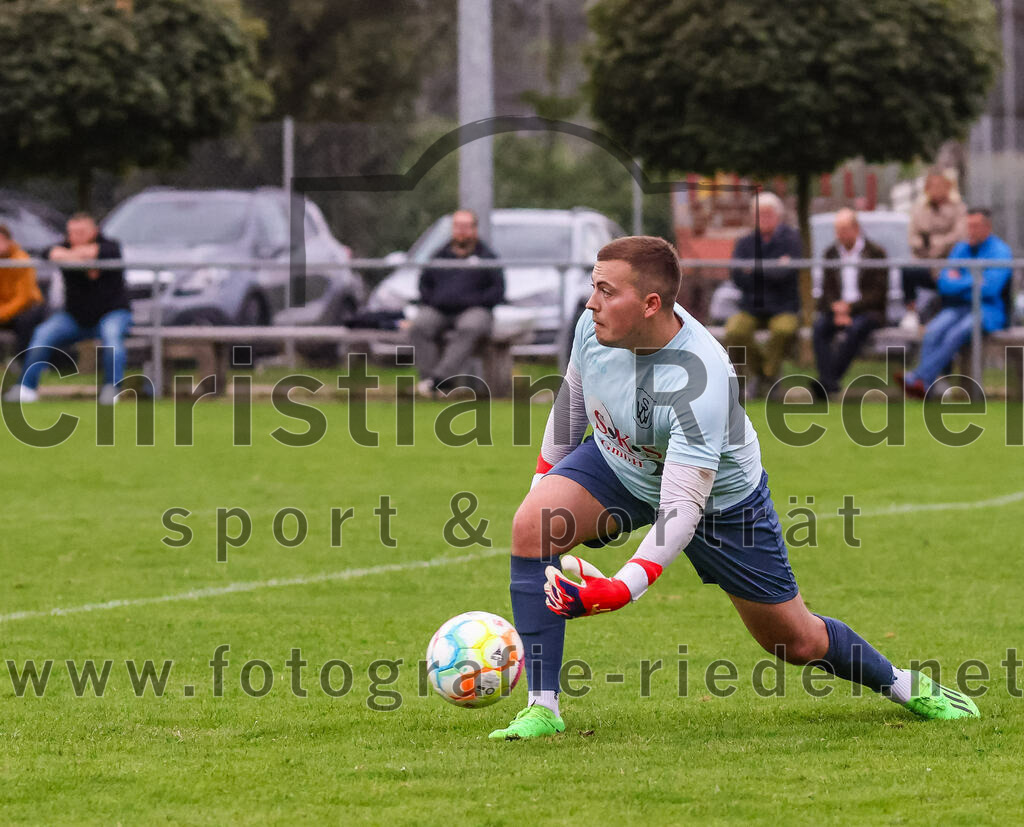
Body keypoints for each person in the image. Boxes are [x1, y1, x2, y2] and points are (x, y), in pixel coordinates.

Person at [489, 235, 979, 741]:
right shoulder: (593, 328)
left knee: (794, 641)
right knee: (533, 525)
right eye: (594, 287)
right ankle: (542, 708)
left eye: (607, 291)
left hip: (720, 502)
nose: (592, 301)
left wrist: (620, 589)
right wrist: (539, 488)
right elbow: (570, 405)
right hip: (621, 460)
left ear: (651, 304)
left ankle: (902, 683)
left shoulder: (701, 377)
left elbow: (681, 509)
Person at [3, 213, 130, 405]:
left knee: (112, 338)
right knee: (43, 333)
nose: (75, 237)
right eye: (72, 233)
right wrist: (80, 256)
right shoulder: (63, 245)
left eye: (81, 232)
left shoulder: (111, 246)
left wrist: (70, 256)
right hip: (75, 318)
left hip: (112, 314)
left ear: (94, 232)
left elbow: (99, 252)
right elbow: (49, 252)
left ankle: (111, 390)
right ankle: (27, 388)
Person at [897, 207, 1012, 399]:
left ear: (987, 227)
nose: (971, 231)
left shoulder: (1000, 252)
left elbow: (991, 289)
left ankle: (920, 378)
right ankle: (927, 384)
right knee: (933, 330)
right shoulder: (961, 249)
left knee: (957, 332)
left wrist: (960, 280)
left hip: (989, 309)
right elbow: (944, 284)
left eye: (975, 226)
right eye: (969, 226)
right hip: (959, 306)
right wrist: (975, 281)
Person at [410, 209, 504, 396]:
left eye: (466, 226)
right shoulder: (439, 255)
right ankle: (430, 384)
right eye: (458, 226)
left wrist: (472, 300)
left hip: (474, 309)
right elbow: (424, 284)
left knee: (471, 326)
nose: (461, 231)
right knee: (419, 326)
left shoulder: (487, 257)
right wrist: (434, 300)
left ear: (474, 229)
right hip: (440, 309)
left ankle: (440, 380)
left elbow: (497, 290)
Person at [724, 193, 802, 398]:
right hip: (751, 306)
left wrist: (754, 269)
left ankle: (764, 375)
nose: (763, 218)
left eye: (768, 214)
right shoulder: (744, 243)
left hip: (783, 306)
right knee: (735, 330)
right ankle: (764, 375)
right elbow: (737, 277)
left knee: (784, 330)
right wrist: (772, 267)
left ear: (778, 215)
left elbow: (785, 274)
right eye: (758, 214)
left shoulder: (791, 240)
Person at [811, 209, 888, 397]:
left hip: (867, 310)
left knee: (855, 329)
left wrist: (850, 307)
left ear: (856, 228)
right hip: (837, 309)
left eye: (844, 229)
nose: (840, 235)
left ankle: (828, 382)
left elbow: (878, 294)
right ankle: (830, 383)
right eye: (837, 230)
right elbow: (827, 290)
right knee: (820, 328)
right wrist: (836, 307)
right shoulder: (831, 253)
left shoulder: (876, 253)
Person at [901, 170, 967, 332]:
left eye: (940, 185)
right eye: (932, 185)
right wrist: (927, 245)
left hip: (950, 265)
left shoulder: (958, 208)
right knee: (908, 271)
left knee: (948, 287)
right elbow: (913, 238)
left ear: (948, 187)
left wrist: (934, 242)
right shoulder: (919, 209)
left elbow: (959, 236)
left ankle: (946, 313)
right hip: (925, 261)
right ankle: (911, 312)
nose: (936, 189)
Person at [0, 224, 47, 366]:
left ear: (8, 241)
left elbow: (23, 298)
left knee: (26, 320)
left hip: (27, 307)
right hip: (4, 308)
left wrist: (1, 314)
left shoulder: (21, 260)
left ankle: (24, 362)